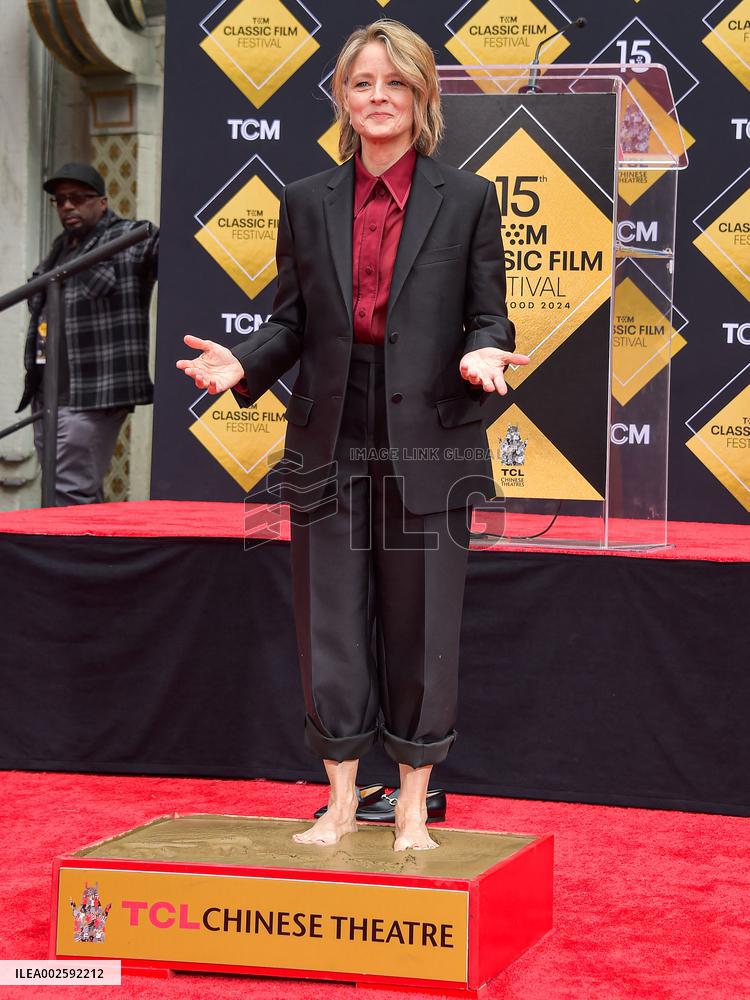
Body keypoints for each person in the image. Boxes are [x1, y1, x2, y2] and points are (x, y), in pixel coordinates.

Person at [177, 20, 528, 850]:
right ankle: (338, 802)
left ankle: (410, 808)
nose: (379, 97)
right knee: (329, 619)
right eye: (363, 83)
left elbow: (490, 312)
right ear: (341, 96)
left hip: (432, 427)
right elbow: (291, 321)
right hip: (329, 427)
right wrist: (246, 366)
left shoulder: (469, 198)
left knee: (423, 623)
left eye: (396, 84)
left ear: (421, 97)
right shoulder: (305, 200)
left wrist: (484, 349)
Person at [17, 162, 159, 505]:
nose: (67, 206)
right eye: (60, 200)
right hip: (47, 391)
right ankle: (89, 555)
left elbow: (165, 244)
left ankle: (64, 558)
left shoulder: (127, 237)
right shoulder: (61, 247)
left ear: (102, 202)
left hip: (94, 392)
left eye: (78, 197)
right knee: (63, 488)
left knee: (69, 490)